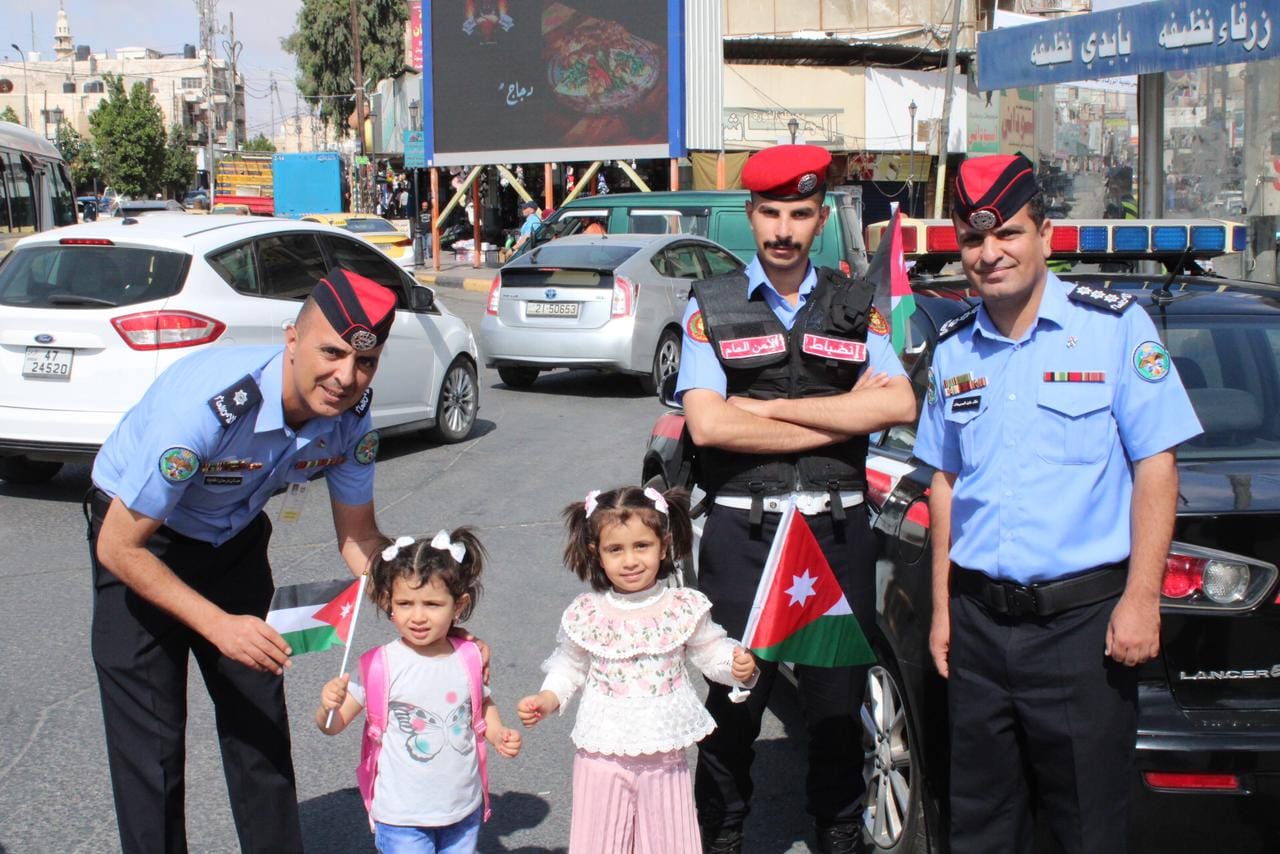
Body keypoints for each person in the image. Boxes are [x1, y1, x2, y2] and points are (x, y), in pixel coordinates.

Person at [914, 153, 1203, 854]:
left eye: (1008, 233)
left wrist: (1142, 600)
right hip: (979, 627)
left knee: (1086, 828)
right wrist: (944, 610)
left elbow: (1156, 467)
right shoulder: (953, 348)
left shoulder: (1115, 328)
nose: (990, 253)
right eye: (973, 239)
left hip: (1081, 631)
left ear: (1045, 233)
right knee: (981, 827)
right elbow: (946, 482)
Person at [86, 268, 400, 853]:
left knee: (258, 723)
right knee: (152, 744)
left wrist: (417, 590)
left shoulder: (352, 417)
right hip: (144, 540)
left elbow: (359, 539)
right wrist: (218, 625)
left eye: (366, 362)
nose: (346, 378)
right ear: (291, 339)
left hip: (232, 543)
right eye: (332, 353)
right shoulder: (209, 410)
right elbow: (118, 547)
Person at [674, 143, 916, 854]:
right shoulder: (711, 305)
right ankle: (721, 838)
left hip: (836, 536)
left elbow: (898, 403)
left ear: (821, 219)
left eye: (800, 214)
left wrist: (767, 411)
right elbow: (708, 425)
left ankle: (838, 838)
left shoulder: (856, 304)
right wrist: (840, 414)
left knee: (837, 712)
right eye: (771, 213)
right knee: (733, 710)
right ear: (751, 214)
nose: (784, 230)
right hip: (743, 538)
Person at [517, 486, 758, 854]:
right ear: (596, 554)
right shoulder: (587, 613)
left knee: (669, 843)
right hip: (601, 754)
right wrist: (547, 698)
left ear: (663, 547)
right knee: (600, 843)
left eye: (641, 546)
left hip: (664, 756)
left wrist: (735, 664)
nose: (630, 560)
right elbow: (570, 665)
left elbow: (711, 651)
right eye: (616, 549)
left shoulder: (682, 607)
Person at [317, 528, 522, 853]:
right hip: (401, 816)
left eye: (432, 604)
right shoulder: (379, 665)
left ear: (459, 605)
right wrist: (327, 706)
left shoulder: (468, 657)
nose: (418, 616)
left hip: (462, 808)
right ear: (389, 602)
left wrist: (497, 733)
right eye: (405, 603)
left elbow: (481, 703)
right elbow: (332, 725)